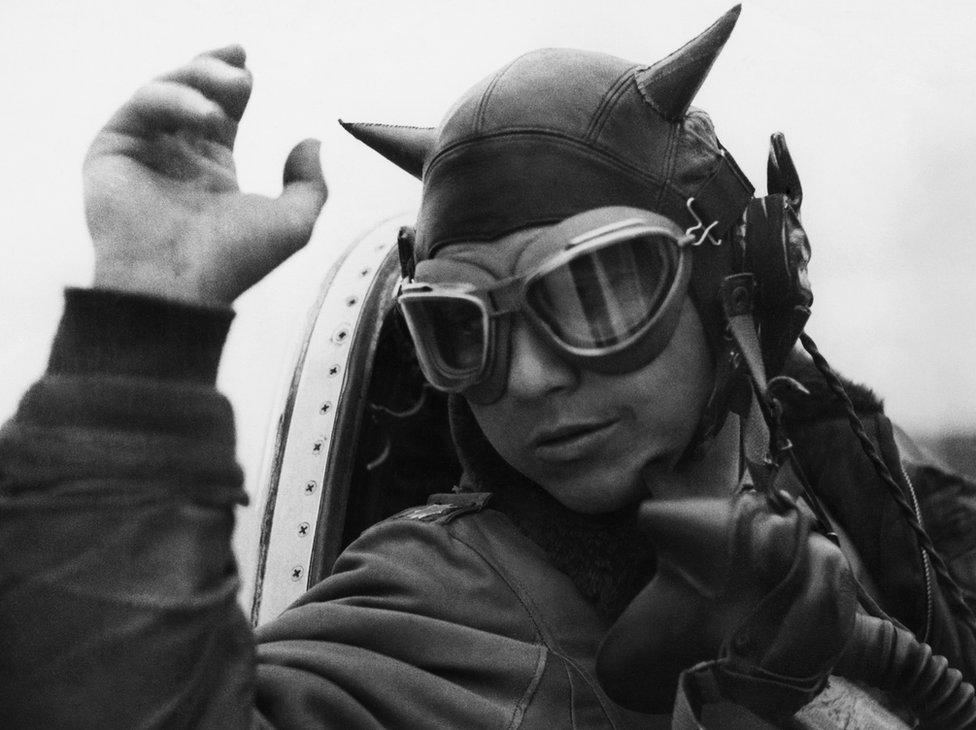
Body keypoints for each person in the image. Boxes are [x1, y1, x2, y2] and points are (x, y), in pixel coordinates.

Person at [0, 6, 973, 728]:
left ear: (737, 284)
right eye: (464, 329)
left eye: (595, 291)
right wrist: (148, 318)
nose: (536, 377)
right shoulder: (442, 605)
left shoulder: (846, 449)